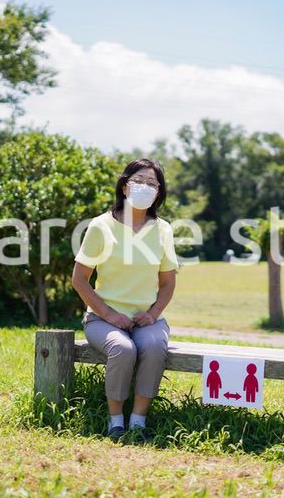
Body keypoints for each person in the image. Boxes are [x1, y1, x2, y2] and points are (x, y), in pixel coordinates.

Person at [71, 158, 179, 440]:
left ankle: (138, 422)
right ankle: (116, 422)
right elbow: (79, 279)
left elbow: (168, 282)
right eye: (138, 181)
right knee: (123, 348)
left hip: (148, 320)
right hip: (102, 320)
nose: (145, 187)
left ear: (159, 192)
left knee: (153, 347)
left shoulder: (163, 230)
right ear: (124, 186)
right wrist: (109, 315)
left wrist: (152, 314)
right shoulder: (101, 226)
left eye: (152, 183)